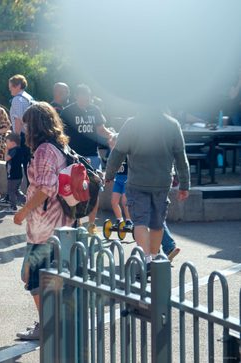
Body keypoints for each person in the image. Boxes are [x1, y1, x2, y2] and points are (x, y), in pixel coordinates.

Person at [104, 107, 190, 279]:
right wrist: (184, 185)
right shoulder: (172, 125)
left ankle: (147, 259)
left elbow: (118, 153)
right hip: (162, 182)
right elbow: (181, 157)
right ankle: (156, 259)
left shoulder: (132, 124)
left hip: (138, 182)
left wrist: (109, 175)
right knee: (157, 223)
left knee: (140, 222)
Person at [13, 102, 74, 340]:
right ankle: (53, 323)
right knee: (48, 277)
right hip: (59, 223)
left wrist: (22, 212)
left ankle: (47, 326)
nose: (24, 130)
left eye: (27, 125)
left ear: (35, 126)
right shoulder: (60, 146)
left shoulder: (43, 151)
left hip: (44, 226)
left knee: (33, 277)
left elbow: (45, 188)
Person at [60, 84, 116, 235]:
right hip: (74, 157)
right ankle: (75, 221)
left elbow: (100, 129)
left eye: (88, 98)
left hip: (92, 155)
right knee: (74, 191)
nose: (85, 100)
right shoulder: (67, 112)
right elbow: (61, 133)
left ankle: (91, 224)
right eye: (83, 97)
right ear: (76, 97)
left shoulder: (94, 110)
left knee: (94, 191)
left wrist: (111, 135)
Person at [8, 74, 33, 184]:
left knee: (16, 166)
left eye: (11, 87)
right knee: (29, 166)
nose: (10, 90)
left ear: (18, 85)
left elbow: (18, 120)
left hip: (21, 137)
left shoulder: (17, 99)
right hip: (30, 135)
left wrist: (15, 140)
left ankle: (14, 195)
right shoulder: (28, 97)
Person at [110, 158, 133, 231]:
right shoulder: (116, 152)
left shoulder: (130, 151)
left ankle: (129, 221)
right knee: (114, 201)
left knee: (124, 201)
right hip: (118, 179)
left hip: (127, 178)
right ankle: (119, 219)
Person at [4, 132, 24, 213]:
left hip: (13, 175)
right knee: (17, 190)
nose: (6, 144)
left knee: (11, 191)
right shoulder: (19, 149)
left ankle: (13, 207)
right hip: (19, 174)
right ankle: (26, 200)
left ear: (13, 143)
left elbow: (6, 158)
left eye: (7, 142)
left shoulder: (13, 150)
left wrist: (6, 150)